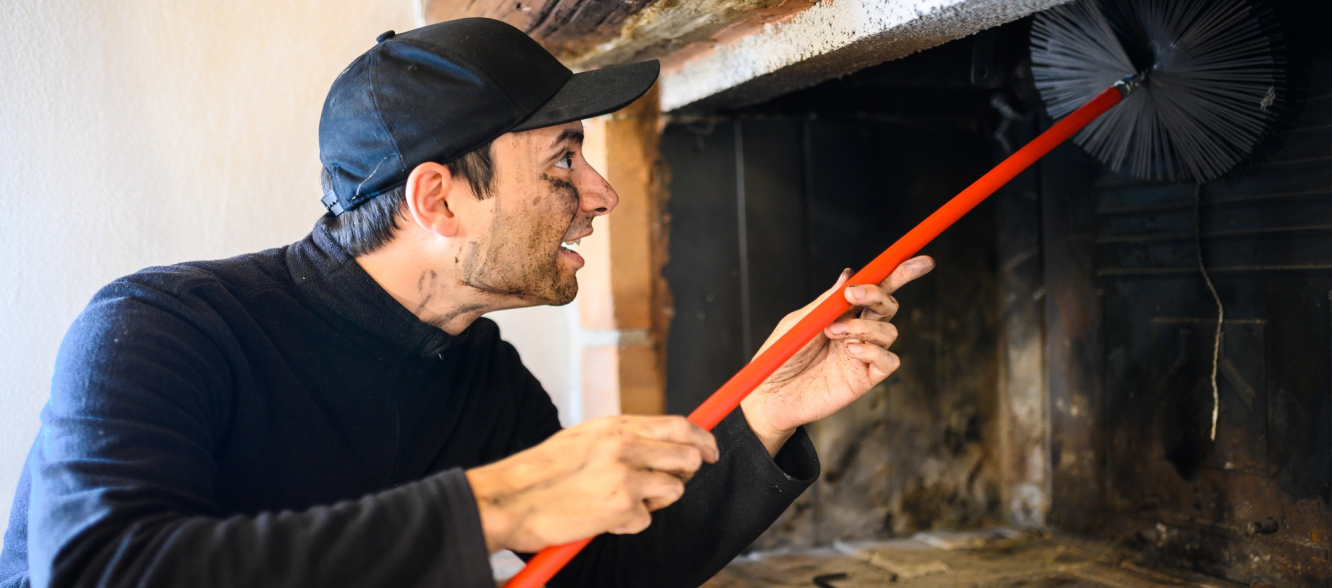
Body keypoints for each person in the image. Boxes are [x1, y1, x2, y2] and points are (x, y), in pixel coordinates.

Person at [0, 18, 934, 588]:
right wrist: (500, 501)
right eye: (563, 161)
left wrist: (766, 408)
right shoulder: (161, 328)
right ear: (438, 201)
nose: (602, 193)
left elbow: (600, 575)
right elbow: (105, 569)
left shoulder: (482, 377)